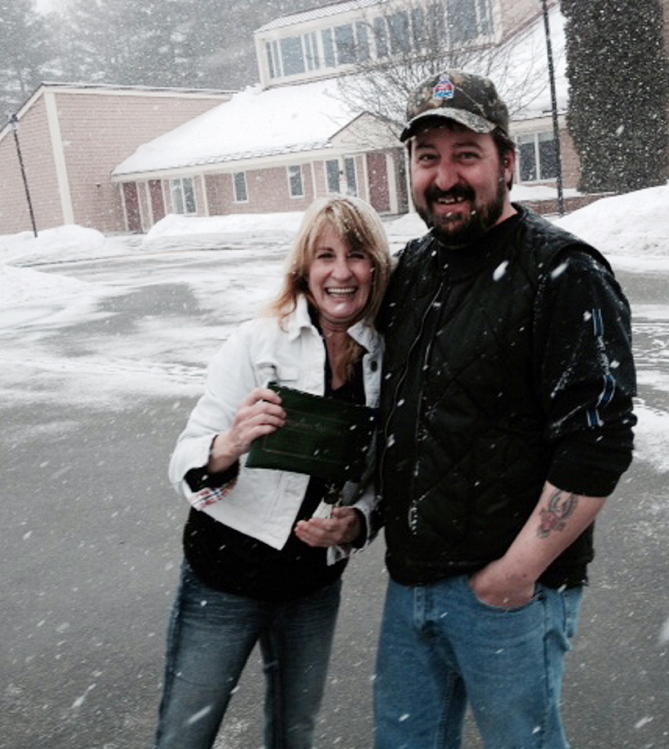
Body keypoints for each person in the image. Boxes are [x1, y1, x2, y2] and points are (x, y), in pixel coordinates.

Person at [373, 70, 638, 749]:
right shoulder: (413, 268)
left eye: (466, 154)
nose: (445, 177)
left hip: (506, 595)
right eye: (427, 157)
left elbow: (597, 441)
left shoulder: (563, 270)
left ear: (507, 162)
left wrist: (514, 574)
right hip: (410, 586)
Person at [156, 195, 392, 749]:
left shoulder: (388, 356)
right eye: (325, 256)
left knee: (295, 733)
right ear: (304, 269)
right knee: (185, 734)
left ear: (375, 268)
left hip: (312, 587)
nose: (340, 272)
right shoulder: (257, 341)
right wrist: (230, 442)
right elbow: (183, 459)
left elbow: (386, 477)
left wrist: (357, 523)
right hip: (224, 579)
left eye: (356, 256)